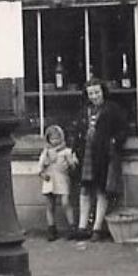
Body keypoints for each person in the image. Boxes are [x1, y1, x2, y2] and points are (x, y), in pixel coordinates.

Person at [71, 78, 128, 241]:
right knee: (84, 190)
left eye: (97, 92)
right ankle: (82, 227)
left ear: (103, 92)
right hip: (85, 154)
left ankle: (97, 228)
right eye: (91, 93)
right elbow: (76, 132)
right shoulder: (84, 111)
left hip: (104, 154)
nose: (94, 96)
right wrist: (74, 151)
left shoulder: (113, 109)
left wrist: (114, 142)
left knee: (101, 190)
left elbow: (123, 129)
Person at [37, 123, 78, 241]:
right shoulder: (46, 152)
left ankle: (72, 227)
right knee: (50, 205)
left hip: (62, 178)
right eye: (53, 138)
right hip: (50, 179)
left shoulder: (66, 151)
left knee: (65, 202)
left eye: (58, 138)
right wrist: (42, 174)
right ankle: (51, 228)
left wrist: (71, 163)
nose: (55, 141)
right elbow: (40, 167)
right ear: (48, 139)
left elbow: (73, 166)